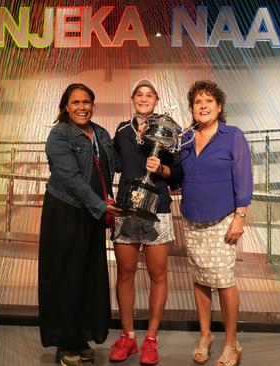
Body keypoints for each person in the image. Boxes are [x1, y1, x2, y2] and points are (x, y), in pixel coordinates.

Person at [38, 83, 123, 366]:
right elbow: (71, 180)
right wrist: (102, 205)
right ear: (65, 106)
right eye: (75, 102)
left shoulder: (100, 133)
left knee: (89, 275)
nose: (82, 107)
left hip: (93, 213)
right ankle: (65, 343)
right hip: (66, 212)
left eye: (86, 101)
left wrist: (142, 139)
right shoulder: (59, 135)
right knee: (66, 277)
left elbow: (114, 165)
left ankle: (82, 336)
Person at [179, 80, 253, 366]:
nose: (203, 105)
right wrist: (159, 167)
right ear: (192, 108)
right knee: (199, 278)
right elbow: (177, 176)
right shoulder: (185, 138)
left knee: (223, 280)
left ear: (219, 107)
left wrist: (240, 216)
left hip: (223, 219)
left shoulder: (232, 135)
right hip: (192, 217)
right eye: (198, 102)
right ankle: (206, 335)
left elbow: (244, 177)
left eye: (209, 100)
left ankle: (232, 343)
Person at [108, 79, 179, 365]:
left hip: (157, 209)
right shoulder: (122, 131)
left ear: (157, 99)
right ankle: (128, 336)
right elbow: (111, 164)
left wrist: (160, 168)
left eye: (149, 94)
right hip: (127, 209)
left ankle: (151, 338)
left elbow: (178, 174)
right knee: (125, 272)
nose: (144, 98)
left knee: (157, 275)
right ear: (132, 98)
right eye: (139, 94)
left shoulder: (171, 130)